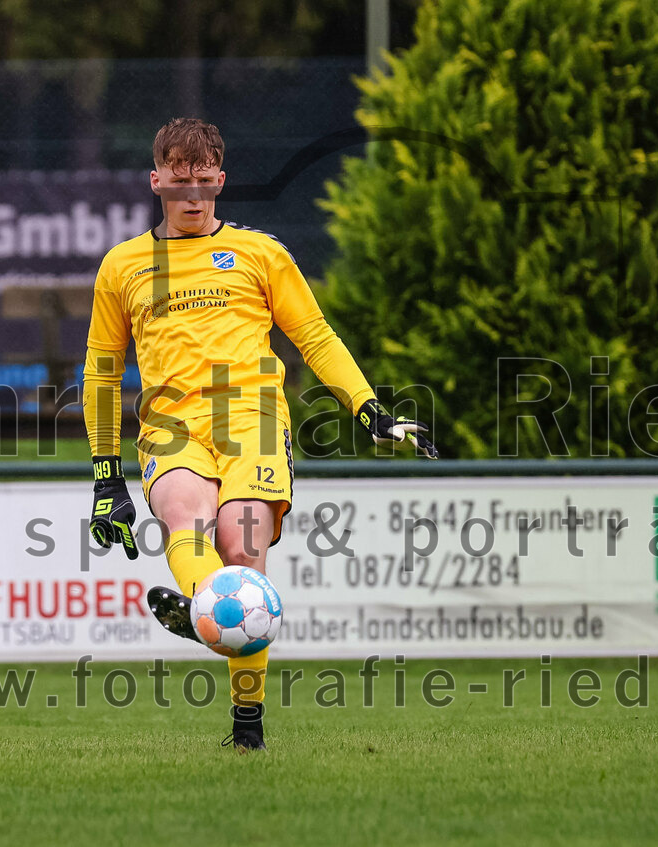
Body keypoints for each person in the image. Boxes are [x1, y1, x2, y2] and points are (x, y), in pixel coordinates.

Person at [81, 118, 438, 751]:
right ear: (156, 179)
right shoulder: (123, 265)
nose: (192, 196)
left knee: (242, 552)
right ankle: (206, 612)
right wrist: (106, 476)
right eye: (179, 182)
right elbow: (102, 372)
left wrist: (368, 408)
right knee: (186, 520)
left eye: (203, 182)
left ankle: (247, 729)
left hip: (253, 423)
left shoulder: (261, 254)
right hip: (171, 425)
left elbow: (316, 337)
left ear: (221, 179)